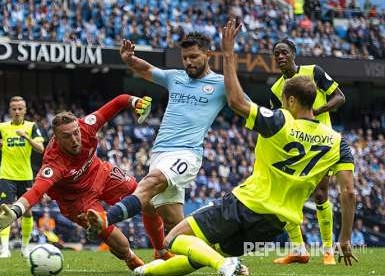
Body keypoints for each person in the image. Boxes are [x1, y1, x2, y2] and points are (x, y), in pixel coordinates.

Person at [132, 19, 358, 276]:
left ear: (291, 100)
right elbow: (349, 192)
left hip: (245, 204)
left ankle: (225, 266)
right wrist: (345, 238)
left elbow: (237, 101)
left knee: (173, 239)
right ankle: (145, 273)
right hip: (275, 224)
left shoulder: (280, 122)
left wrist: (228, 53)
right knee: (207, 250)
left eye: (284, 100)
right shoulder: (339, 142)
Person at [86, 32, 229, 259]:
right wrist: (129, 59)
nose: (188, 62)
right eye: (185, 58)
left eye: (193, 56)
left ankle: (106, 217)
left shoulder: (221, 84)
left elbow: (246, 105)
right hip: (160, 153)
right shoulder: (175, 77)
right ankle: (224, 261)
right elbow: (147, 70)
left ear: (208, 54)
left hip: (187, 153)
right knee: (174, 223)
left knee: (151, 182)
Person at [0, 94, 153, 270]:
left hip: (100, 173)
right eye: (67, 136)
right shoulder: (54, 162)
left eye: (76, 133)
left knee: (142, 192)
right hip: (77, 200)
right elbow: (37, 191)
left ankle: (161, 249)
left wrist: (136, 102)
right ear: (57, 138)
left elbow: (120, 100)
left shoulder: (87, 125)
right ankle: (130, 258)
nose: (74, 139)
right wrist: (14, 212)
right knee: (121, 243)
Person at [270, 38, 346, 265]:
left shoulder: (314, 71)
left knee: (321, 195)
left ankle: (328, 251)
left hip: (322, 143)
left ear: (293, 53)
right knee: (284, 198)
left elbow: (340, 97)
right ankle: (299, 250)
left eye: (284, 52)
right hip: (296, 148)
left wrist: (316, 110)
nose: (280, 57)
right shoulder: (275, 89)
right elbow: (278, 122)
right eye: (276, 54)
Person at [0, 96, 45, 258]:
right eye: (14, 109)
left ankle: (25, 246)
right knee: (6, 210)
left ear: (25, 110)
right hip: (7, 175)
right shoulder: (2, 127)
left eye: (20, 108)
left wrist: (27, 137)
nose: (17, 111)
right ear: (10, 110)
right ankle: (5, 248)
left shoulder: (31, 126)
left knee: (27, 212)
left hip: (25, 175)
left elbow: (41, 149)